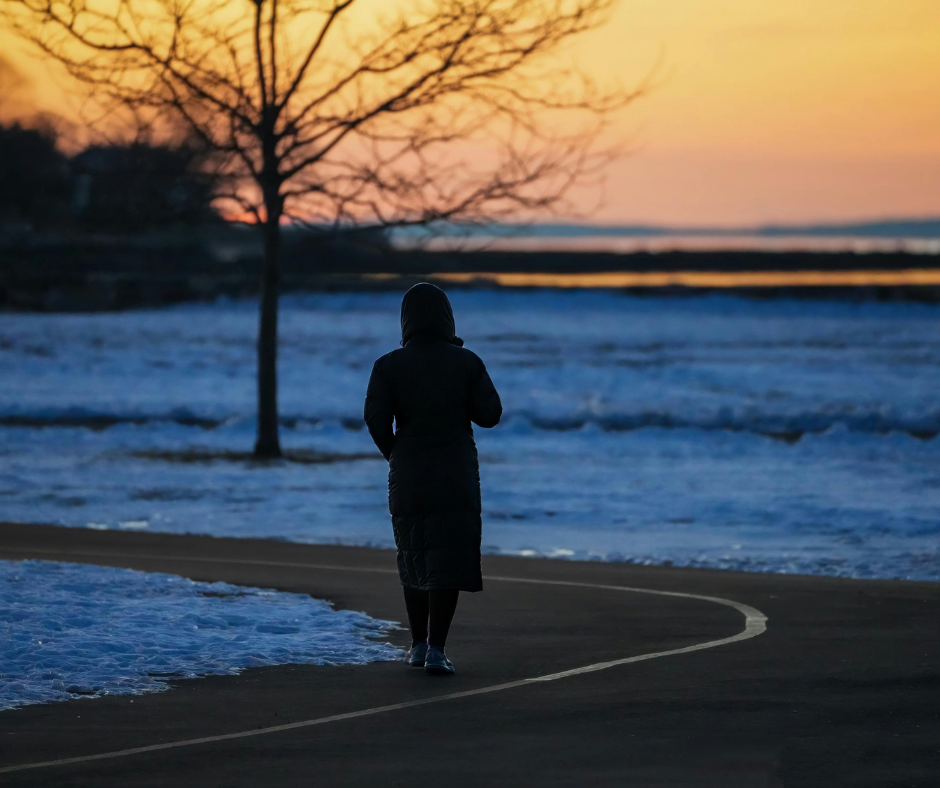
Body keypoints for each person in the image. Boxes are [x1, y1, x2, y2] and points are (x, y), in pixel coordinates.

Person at [364, 283, 502, 674]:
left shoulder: (387, 365)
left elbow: (375, 418)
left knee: (414, 553)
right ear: (447, 318)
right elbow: (490, 414)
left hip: (406, 469)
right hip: (455, 470)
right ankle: (439, 649)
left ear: (406, 320)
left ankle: (418, 645)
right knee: (448, 557)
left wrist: (393, 450)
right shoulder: (466, 361)